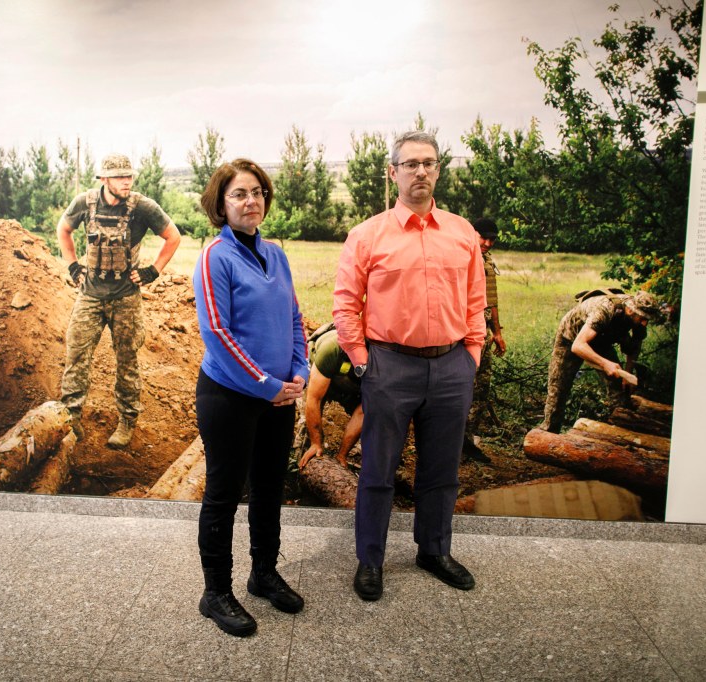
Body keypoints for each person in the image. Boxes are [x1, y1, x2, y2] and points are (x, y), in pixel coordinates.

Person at [334, 130, 486, 600]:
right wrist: (363, 362)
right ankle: (371, 560)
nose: (421, 171)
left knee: (442, 470)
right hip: (389, 367)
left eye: (429, 163)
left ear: (439, 170)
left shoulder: (462, 234)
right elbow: (345, 305)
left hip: (450, 367)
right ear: (392, 172)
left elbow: (476, 301)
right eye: (411, 163)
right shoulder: (367, 235)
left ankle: (434, 550)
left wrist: (471, 356)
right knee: (378, 470)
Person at [193, 158, 309, 637]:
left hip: (279, 397)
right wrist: (267, 384)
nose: (251, 201)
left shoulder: (276, 255)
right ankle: (215, 592)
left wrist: (299, 372)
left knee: (268, 487)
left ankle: (263, 574)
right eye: (240, 193)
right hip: (230, 397)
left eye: (258, 192)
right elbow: (216, 332)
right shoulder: (214, 257)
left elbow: (295, 319)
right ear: (221, 202)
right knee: (224, 494)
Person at [56, 153, 181, 448]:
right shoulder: (85, 203)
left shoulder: (142, 207)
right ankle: (70, 419)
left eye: (129, 176)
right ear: (104, 180)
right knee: (76, 356)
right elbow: (63, 229)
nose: (127, 182)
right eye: (120, 177)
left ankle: (127, 421)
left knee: (127, 361)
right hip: (90, 296)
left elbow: (173, 236)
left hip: (126, 298)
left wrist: (153, 271)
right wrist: (73, 265)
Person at [539, 289, 661, 433]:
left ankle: (620, 433)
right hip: (572, 337)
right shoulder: (604, 310)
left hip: (601, 340)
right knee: (559, 386)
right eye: (642, 318)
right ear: (630, 310)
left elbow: (635, 346)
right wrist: (605, 363)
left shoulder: (639, 319)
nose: (645, 322)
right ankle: (549, 433)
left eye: (647, 319)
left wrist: (627, 374)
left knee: (618, 385)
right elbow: (578, 346)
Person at [463, 218, 507, 463]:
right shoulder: (461, 256)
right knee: (461, 386)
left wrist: (497, 332)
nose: (488, 244)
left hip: (482, 331)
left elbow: (492, 298)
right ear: (473, 234)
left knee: (481, 386)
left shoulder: (487, 259)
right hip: (465, 332)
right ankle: (453, 441)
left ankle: (466, 441)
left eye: (492, 240)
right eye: (484, 238)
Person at [297, 326, 364, 469]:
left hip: (353, 387)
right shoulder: (332, 348)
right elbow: (314, 398)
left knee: (374, 419)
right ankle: (302, 458)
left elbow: (363, 411)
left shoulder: (380, 363)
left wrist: (342, 455)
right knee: (309, 430)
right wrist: (316, 443)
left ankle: (356, 456)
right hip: (322, 374)